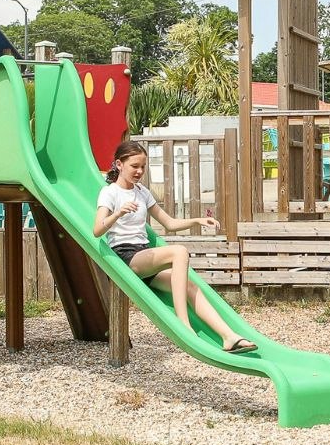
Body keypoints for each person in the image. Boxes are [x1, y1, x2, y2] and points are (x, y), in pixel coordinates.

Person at [95, 139, 257, 354]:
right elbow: (97, 230)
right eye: (134, 166)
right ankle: (183, 322)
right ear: (119, 164)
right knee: (179, 251)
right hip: (126, 257)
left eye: (143, 166)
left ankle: (229, 337)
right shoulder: (110, 193)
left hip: (145, 257)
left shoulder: (142, 192)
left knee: (190, 286)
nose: (139, 171)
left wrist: (197, 221)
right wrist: (118, 213)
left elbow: (169, 223)